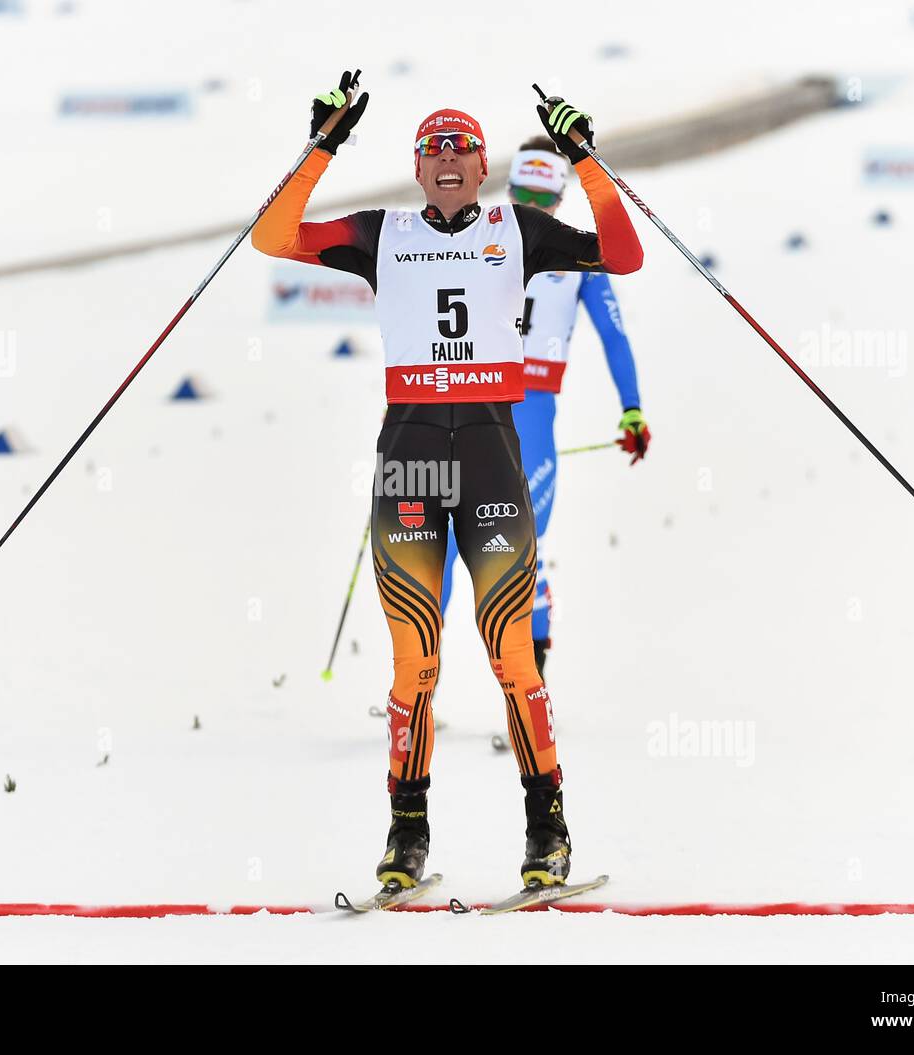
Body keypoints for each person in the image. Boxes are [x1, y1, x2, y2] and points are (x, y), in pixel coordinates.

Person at [252, 71, 644, 890]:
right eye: (434, 152)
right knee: (412, 666)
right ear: (419, 167)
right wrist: (322, 145)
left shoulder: (521, 227)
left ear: (481, 163)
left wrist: (585, 156)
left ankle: (548, 828)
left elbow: (624, 253)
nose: (450, 162)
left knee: (511, 656)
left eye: (463, 149)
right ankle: (408, 830)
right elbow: (273, 235)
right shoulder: (379, 231)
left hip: (493, 457)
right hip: (413, 456)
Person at [438, 137, 651, 681]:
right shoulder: (472, 237)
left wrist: (632, 409)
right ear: (508, 190)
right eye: (522, 193)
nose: (531, 208)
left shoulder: (580, 256)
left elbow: (615, 336)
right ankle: (421, 687)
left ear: (560, 197)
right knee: (435, 550)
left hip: (530, 418)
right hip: (466, 408)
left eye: (543, 196)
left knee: (515, 552)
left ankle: (530, 684)